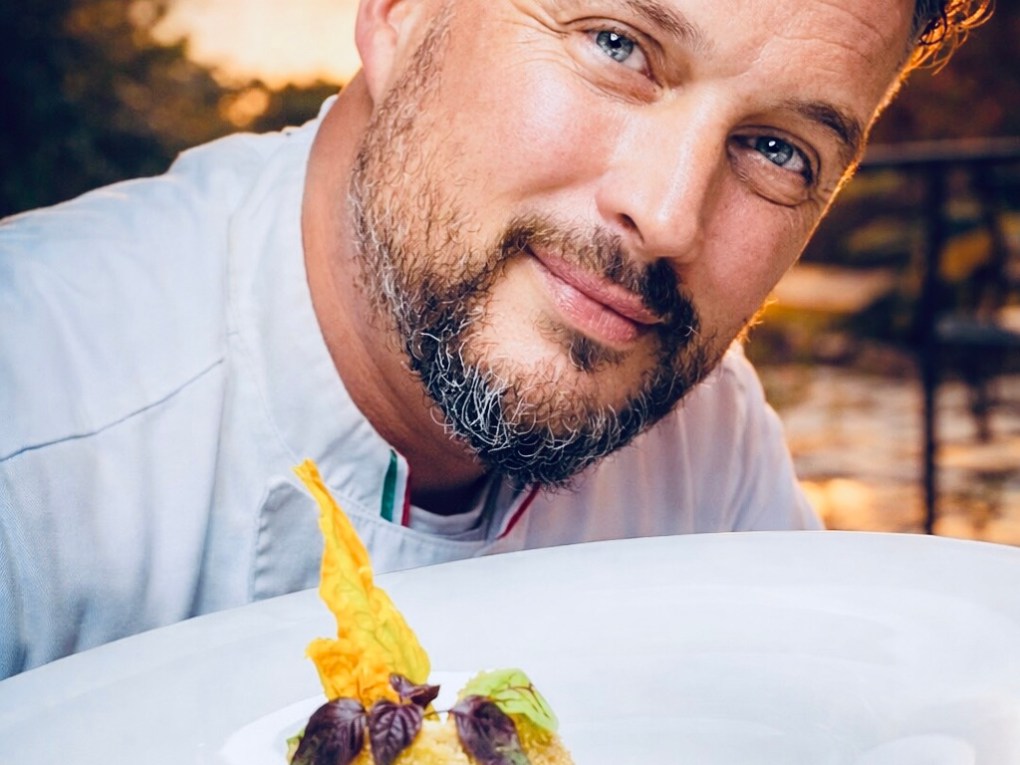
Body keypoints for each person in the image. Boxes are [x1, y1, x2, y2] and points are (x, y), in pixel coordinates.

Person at [0, 0, 989, 679]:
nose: (667, 216)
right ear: (400, 12)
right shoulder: (33, 422)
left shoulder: (716, 455)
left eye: (779, 150)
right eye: (618, 45)